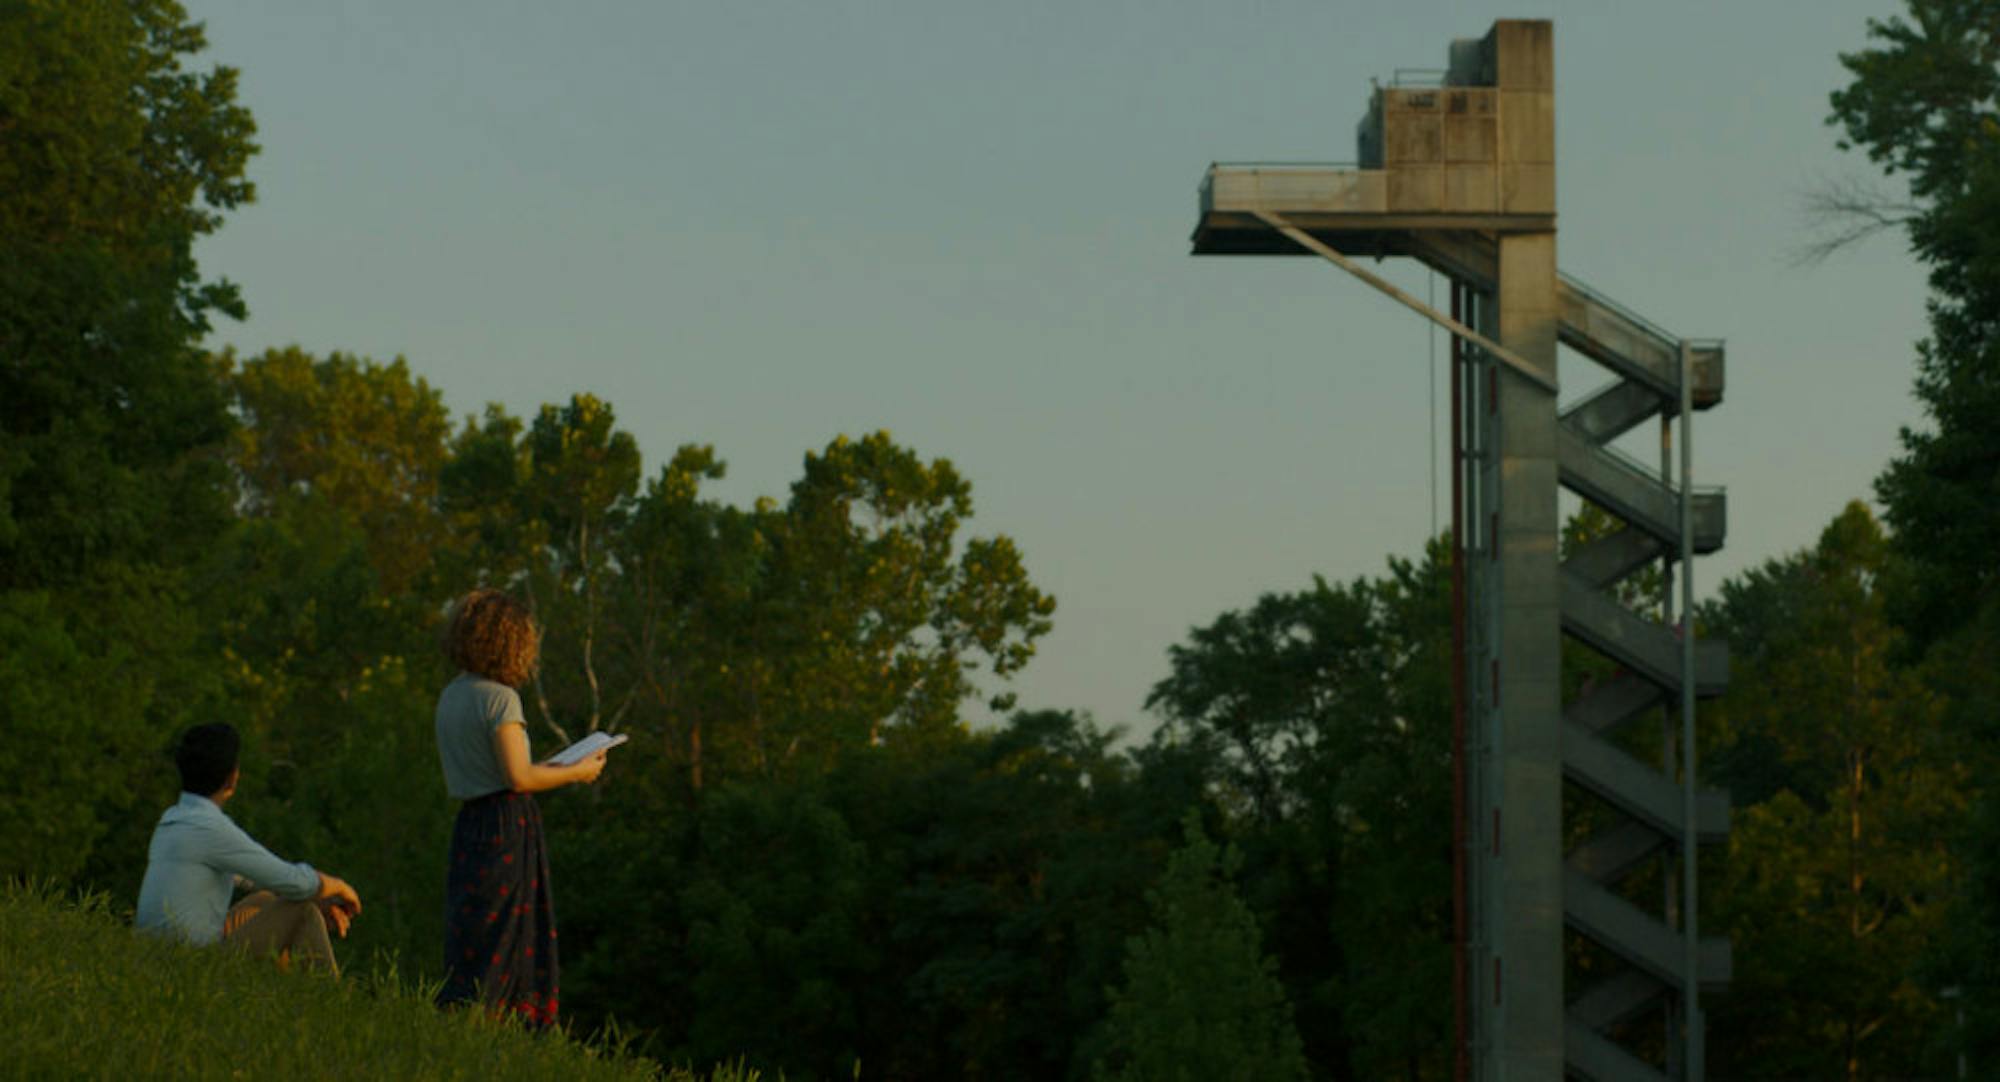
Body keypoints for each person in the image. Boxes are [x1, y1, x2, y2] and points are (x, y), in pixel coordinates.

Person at [434, 588, 606, 1027]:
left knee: (472, 930)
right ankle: (496, 1028)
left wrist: (557, 762)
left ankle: (463, 1021)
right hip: (504, 825)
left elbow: (502, 768)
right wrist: (576, 773)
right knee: (503, 936)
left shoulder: (453, 694)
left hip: (470, 822)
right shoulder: (499, 698)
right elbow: (518, 778)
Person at [135, 722, 363, 974]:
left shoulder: (172, 820)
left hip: (155, 954)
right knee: (303, 912)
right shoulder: (211, 828)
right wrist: (338, 886)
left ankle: (277, 997)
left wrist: (316, 899)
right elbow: (293, 881)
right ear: (232, 777)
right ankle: (334, 1006)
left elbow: (255, 880)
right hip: (189, 964)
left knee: (265, 899)